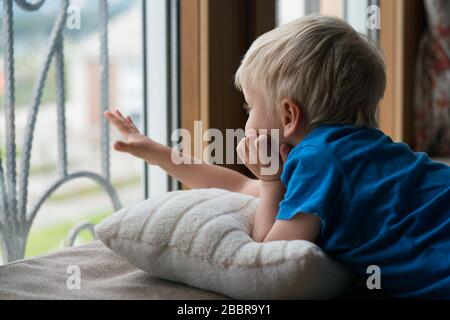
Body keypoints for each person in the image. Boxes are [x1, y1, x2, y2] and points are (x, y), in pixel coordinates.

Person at [105, 15, 450, 299]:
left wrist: (271, 183)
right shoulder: (355, 150)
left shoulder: (319, 160)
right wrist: (157, 153)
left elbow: (269, 254)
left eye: (250, 107)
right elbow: (241, 186)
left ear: (288, 115)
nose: (247, 119)